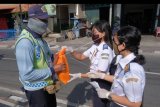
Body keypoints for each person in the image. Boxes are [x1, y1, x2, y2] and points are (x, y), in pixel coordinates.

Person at [15, 4, 65, 107]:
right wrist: (53, 70)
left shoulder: (40, 39)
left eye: (47, 20)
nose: (46, 24)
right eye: (43, 20)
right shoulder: (25, 42)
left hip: (48, 87)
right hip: (36, 92)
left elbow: (47, 58)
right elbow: (26, 74)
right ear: (32, 20)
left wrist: (55, 57)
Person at [88, 26, 146, 107]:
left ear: (123, 45)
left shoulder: (133, 70)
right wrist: (102, 75)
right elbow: (119, 79)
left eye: (115, 42)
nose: (113, 45)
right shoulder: (123, 60)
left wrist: (108, 95)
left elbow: (135, 103)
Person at [66, 20, 115, 107]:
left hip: (102, 82)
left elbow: (99, 73)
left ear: (103, 34)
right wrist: (71, 51)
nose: (92, 34)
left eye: (95, 32)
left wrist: (80, 75)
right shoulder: (95, 45)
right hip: (95, 81)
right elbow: (81, 56)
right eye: (92, 32)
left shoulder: (105, 50)